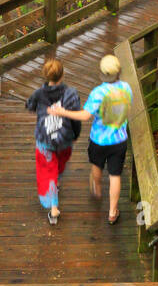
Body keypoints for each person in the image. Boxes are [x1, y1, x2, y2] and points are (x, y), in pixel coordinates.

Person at [49, 54, 132, 226]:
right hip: (119, 139)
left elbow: (85, 115)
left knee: (97, 165)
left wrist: (62, 112)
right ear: (118, 72)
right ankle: (112, 212)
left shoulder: (98, 93)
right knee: (115, 175)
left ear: (102, 73)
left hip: (99, 140)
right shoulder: (126, 88)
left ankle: (97, 187)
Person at [25, 57, 81, 226]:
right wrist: (75, 134)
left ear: (46, 76)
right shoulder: (71, 93)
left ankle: (53, 206)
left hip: (45, 139)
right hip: (64, 139)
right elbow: (76, 118)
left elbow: (29, 105)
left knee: (47, 171)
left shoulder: (39, 93)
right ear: (62, 75)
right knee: (59, 165)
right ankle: (56, 187)